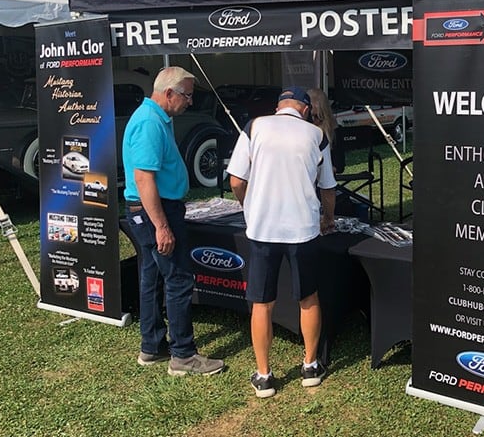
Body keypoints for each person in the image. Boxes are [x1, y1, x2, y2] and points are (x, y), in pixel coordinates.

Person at [226, 86, 336, 398]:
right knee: (308, 297)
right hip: (303, 228)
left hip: (263, 229)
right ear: (304, 109)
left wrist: (249, 206)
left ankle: (263, 375)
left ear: (279, 107)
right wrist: (329, 218)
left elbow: (236, 179)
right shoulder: (316, 135)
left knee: (262, 302)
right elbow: (328, 187)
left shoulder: (254, 127)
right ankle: (310, 366)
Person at [122, 66, 226, 376]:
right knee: (178, 279)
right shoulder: (149, 123)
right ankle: (183, 355)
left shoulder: (156, 118)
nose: (190, 102)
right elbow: (143, 178)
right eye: (187, 95)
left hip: (154, 208)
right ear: (169, 93)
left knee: (152, 276)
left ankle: (152, 346)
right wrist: (162, 226)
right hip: (156, 211)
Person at [306, 87, 345, 174]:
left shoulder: (334, 131)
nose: (313, 120)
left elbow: (339, 166)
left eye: (317, 116)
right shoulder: (303, 129)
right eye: (310, 116)